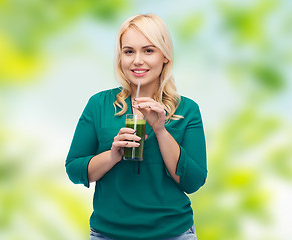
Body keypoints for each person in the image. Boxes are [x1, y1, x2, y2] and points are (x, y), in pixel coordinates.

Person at [65, 13, 207, 240]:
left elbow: (193, 181)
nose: (137, 60)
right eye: (129, 51)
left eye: (148, 50)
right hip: (108, 234)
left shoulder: (187, 110)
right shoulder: (99, 105)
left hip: (172, 233)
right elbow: (74, 169)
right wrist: (112, 155)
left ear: (165, 56)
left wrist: (160, 130)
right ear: (120, 57)